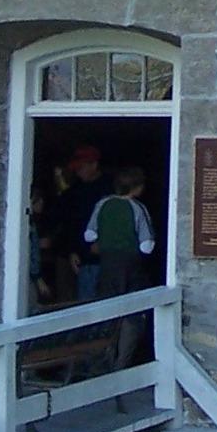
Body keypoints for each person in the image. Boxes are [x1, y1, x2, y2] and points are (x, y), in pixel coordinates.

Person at [84, 167, 159, 363]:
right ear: (137, 187)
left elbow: (89, 234)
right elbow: (147, 244)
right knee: (132, 314)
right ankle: (122, 361)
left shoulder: (102, 204)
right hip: (131, 266)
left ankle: (105, 359)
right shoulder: (137, 208)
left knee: (107, 311)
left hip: (107, 264)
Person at [47, 145, 111, 301]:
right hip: (83, 259)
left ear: (94, 165)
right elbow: (70, 223)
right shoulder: (74, 192)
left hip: (109, 257)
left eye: (81, 167)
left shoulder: (110, 189)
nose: (78, 172)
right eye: (76, 169)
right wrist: (72, 250)